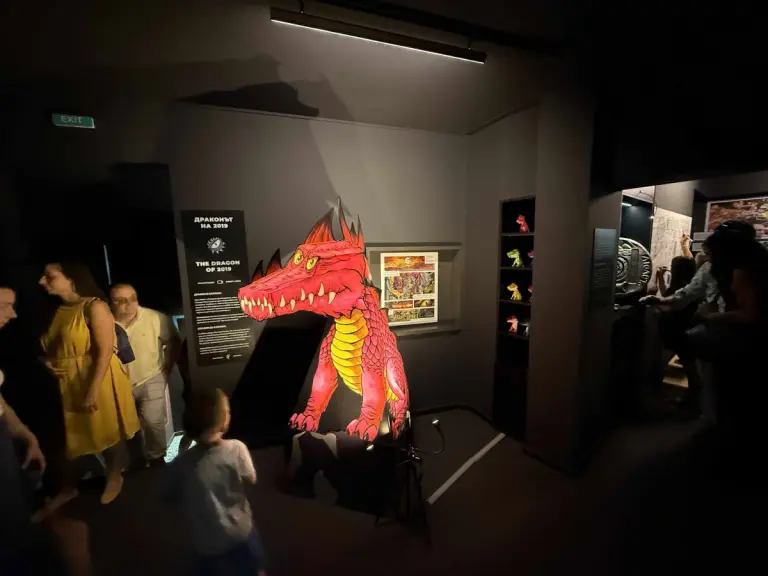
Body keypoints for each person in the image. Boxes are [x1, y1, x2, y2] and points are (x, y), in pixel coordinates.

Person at [38, 262, 140, 515]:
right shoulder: (56, 310)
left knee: (108, 430)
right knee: (70, 439)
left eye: (50, 276)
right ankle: (68, 488)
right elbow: (49, 348)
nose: (42, 281)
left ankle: (114, 475)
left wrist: (93, 389)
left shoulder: (94, 306)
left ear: (71, 278)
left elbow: (105, 350)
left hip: (97, 378)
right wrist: (46, 361)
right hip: (68, 383)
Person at [164, 389, 265, 576]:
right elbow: (251, 479)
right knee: (252, 568)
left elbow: (168, 495)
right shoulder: (237, 448)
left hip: (205, 541)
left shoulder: (181, 463)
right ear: (224, 420)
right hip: (240, 533)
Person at [109, 283, 180, 467]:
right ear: (111, 303)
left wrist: (167, 368)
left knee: (153, 421)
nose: (129, 303)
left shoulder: (155, 318)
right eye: (121, 300)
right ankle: (136, 461)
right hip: (118, 383)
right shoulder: (104, 322)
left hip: (150, 376)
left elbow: (173, 341)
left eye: (132, 298)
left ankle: (157, 458)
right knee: (128, 426)